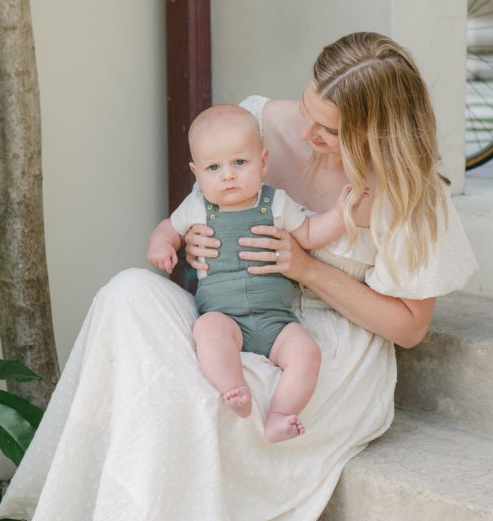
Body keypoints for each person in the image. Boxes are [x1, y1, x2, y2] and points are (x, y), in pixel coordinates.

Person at [0, 32, 477, 521]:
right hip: (226, 314)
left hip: (320, 349)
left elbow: (408, 328)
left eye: (331, 131)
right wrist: (190, 248)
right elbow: (204, 220)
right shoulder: (253, 124)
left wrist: (309, 270)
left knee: (185, 399)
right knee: (128, 293)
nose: (308, 136)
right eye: (310, 111)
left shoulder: (405, 193)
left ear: (377, 133)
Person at [147, 103, 364, 442]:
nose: (228, 175)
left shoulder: (275, 204)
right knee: (207, 330)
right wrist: (161, 245)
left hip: (276, 321)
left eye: (239, 163)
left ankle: (280, 415)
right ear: (197, 173)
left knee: (306, 352)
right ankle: (234, 388)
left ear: (263, 163)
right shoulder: (196, 208)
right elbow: (167, 229)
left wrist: (339, 212)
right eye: (214, 167)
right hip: (225, 318)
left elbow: (309, 233)